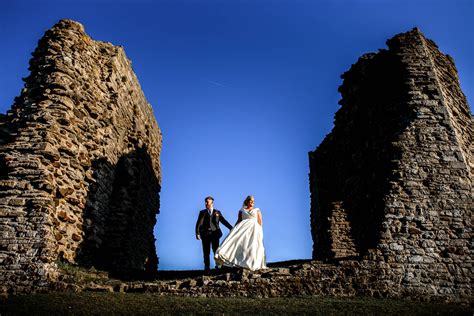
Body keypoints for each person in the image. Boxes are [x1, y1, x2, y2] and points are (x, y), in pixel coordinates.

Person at [214, 195, 267, 271]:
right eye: (251, 200)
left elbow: (260, 222)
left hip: (254, 229)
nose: (252, 202)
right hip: (243, 229)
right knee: (243, 245)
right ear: (247, 201)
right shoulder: (241, 210)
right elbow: (239, 221)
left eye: (253, 201)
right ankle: (241, 262)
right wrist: (233, 230)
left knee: (253, 245)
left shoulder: (257, 210)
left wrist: (260, 232)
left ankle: (253, 263)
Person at [195, 196, 233, 275]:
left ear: (212, 203)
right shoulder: (202, 212)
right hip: (205, 235)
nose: (205, 203)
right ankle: (207, 268)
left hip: (215, 234)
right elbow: (198, 223)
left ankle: (218, 266)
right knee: (206, 252)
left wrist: (231, 228)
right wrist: (197, 233)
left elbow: (223, 221)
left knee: (216, 250)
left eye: (207, 202)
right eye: (205, 202)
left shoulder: (217, 212)